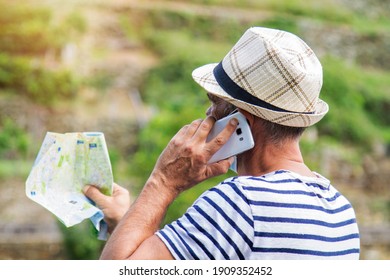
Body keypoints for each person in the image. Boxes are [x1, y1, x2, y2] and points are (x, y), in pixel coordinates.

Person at [84, 27, 360, 260]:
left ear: (239, 121)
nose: (206, 115)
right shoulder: (341, 211)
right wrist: (126, 222)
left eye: (214, 104)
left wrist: (164, 182)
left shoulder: (241, 201)